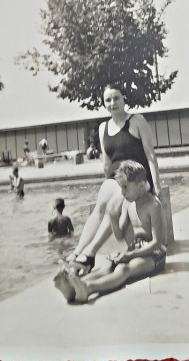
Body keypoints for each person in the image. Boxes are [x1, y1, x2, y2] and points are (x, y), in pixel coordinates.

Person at [64, 83, 162, 276]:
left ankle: (90, 255)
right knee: (101, 205)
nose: (112, 103)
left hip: (136, 178)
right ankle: (78, 252)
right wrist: (105, 183)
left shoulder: (137, 121)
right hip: (115, 178)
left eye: (116, 98)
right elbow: (107, 161)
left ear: (124, 99)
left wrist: (156, 186)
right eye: (107, 100)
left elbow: (150, 155)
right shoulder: (103, 128)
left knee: (113, 204)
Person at [54, 160, 166, 303]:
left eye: (125, 187)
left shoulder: (153, 205)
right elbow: (119, 236)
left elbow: (157, 243)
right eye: (121, 188)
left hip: (154, 255)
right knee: (108, 266)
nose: (122, 192)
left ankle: (88, 288)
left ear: (142, 187)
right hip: (134, 250)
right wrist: (113, 217)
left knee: (123, 270)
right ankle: (71, 288)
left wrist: (129, 255)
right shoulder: (127, 203)